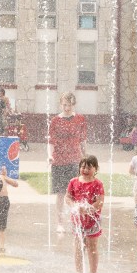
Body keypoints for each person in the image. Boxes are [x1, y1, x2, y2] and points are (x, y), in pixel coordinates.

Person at [47, 92, 88, 234]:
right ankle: (60, 223)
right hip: (59, 160)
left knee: (75, 193)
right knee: (60, 193)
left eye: (69, 105)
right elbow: (50, 142)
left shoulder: (80, 119)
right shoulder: (55, 121)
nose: (66, 108)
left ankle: (75, 221)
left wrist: (85, 157)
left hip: (75, 160)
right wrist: (50, 156)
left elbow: (82, 141)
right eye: (64, 105)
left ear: (73, 104)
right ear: (61, 104)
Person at [65, 155, 104, 273]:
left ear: (95, 168)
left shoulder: (97, 184)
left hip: (93, 220)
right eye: (83, 167)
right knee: (78, 246)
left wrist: (88, 209)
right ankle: (79, 272)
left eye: (89, 168)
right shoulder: (73, 182)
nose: (85, 170)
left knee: (92, 246)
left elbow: (100, 202)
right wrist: (74, 206)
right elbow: (68, 197)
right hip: (77, 220)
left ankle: (93, 272)